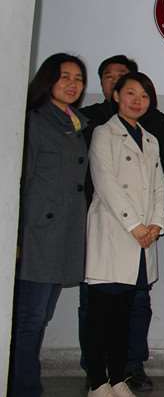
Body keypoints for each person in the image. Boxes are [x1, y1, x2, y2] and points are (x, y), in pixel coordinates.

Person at [79, 54, 164, 391]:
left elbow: (160, 185)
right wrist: (135, 226)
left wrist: (156, 224)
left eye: (144, 95)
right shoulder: (103, 133)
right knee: (100, 316)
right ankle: (97, 381)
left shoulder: (150, 139)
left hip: (142, 240)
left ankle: (118, 378)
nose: (137, 100)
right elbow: (104, 183)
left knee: (124, 317)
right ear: (116, 95)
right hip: (114, 235)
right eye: (131, 93)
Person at [11, 54, 89, 397]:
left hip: (64, 235)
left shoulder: (77, 123)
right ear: (48, 80)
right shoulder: (34, 121)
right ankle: (23, 387)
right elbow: (21, 181)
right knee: (29, 318)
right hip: (37, 235)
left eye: (78, 78)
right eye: (64, 77)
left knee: (41, 316)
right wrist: (17, 236)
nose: (73, 84)